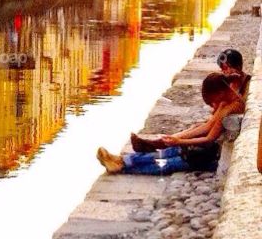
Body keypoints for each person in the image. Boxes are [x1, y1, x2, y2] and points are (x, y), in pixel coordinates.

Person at [97, 73, 244, 175]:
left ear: (220, 93)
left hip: (210, 156)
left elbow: (209, 138)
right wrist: (177, 139)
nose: (213, 105)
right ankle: (123, 160)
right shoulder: (226, 101)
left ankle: (122, 167)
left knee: (169, 163)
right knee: (169, 152)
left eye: (213, 100)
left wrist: (180, 140)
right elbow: (207, 126)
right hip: (206, 149)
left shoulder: (231, 108)